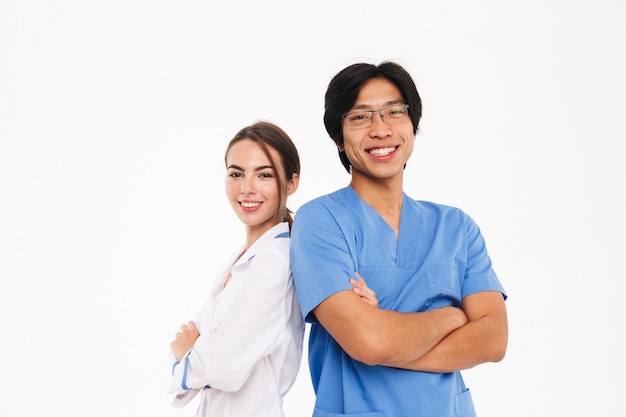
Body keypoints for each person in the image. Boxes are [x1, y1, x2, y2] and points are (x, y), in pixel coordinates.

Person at [290, 61, 508, 417]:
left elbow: (494, 339)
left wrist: (393, 337)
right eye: (360, 117)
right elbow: (370, 342)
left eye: (394, 112)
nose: (381, 129)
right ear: (338, 139)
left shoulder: (456, 227)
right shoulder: (321, 221)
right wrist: (451, 318)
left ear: (412, 125)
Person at [167, 121, 305, 417]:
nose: (247, 188)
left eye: (264, 174)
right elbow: (193, 346)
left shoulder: (277, 261)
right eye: (236, 174)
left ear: (291, 182)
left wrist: (190, 354)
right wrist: (196, 354)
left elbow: (222, 366)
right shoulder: (239, 259)